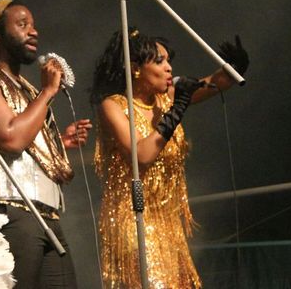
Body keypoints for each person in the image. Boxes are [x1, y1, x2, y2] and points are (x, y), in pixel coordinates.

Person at [89, 28, 248, 289]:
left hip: (168, 220)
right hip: (134, 220)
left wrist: (233, 69)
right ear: (136, 69)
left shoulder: (166, 99)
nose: (169, 68)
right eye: (160, 61)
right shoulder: (113, 106)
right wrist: (176, 112)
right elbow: (141, 157)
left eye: (168, 60)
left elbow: (212, 82)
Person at [0, 0, 92, 288]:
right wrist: (48, 92)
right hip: (14, 211)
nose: (33, 32)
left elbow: (25, 138)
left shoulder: (24, 87)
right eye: (22, 25)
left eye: (33, 25)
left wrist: (57, 142)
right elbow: (10, 138)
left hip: (47, 214)